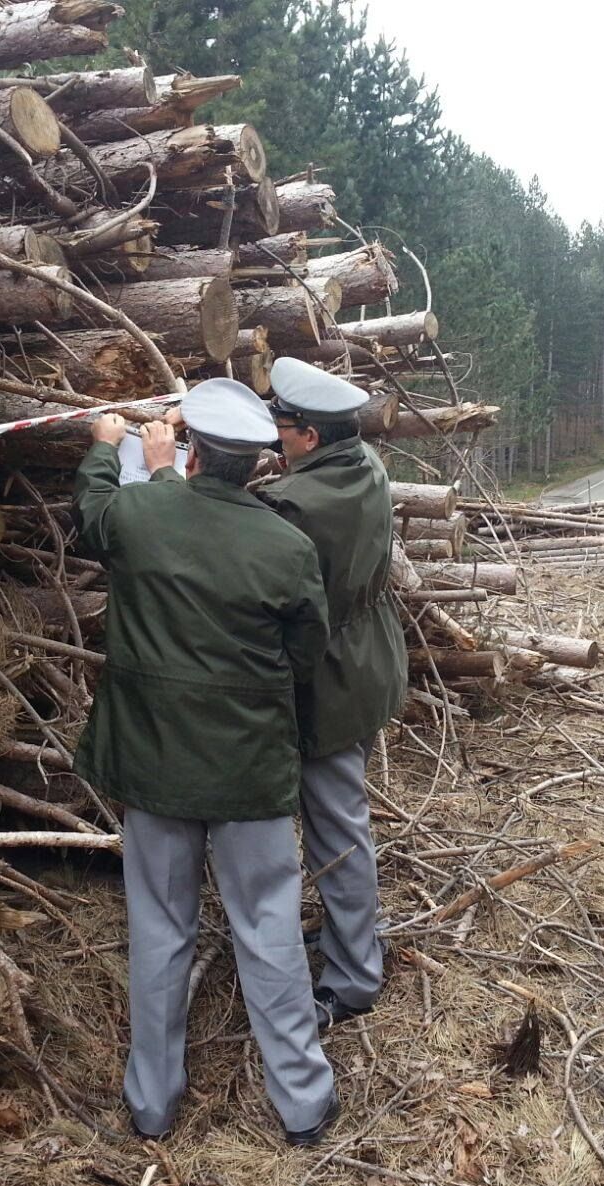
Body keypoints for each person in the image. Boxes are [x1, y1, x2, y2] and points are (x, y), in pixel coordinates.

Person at [72, 377, 340, 1146]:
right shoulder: (287, 546)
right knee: (269, 927)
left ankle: (152, 1103)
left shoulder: (141, 511)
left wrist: (106, 451)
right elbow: (305, 653)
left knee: (159, 928)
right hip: (249, 771)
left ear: (191, 452)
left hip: (153, 764)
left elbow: (92, 514)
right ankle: (302, 1102)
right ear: (256, 464)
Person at [261, 358, 407, 1030]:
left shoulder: (299, 505)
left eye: (280, 425)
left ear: (310, 438)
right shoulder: (362, 463)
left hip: (330, 679)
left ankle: (352, 978)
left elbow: (249, 541)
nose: (273, 436)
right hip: (367, 661)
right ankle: (349, 942)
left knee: (337, 833)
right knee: (339, 823)